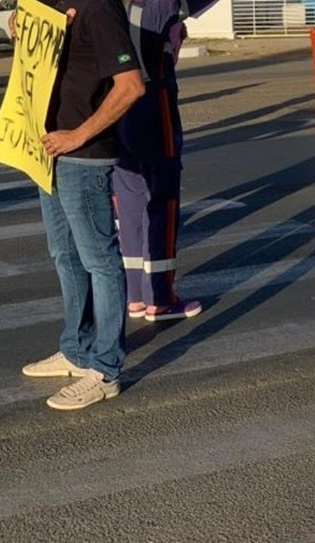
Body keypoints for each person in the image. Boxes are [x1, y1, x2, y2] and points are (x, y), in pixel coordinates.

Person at [20, 0, 145, 410]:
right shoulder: (53, 7)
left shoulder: (98, 8)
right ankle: (76, 349)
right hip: (51, 153)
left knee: (99, 261)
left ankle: (105, 369)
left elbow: (131, 86)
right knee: (64, 255)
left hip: (84, 157)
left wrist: (77, 135)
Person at [112, 0, 215, 323]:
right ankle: (159, 297)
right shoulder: (160, 4)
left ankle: (135, 295)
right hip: (154, 104)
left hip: (116, 108)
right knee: (162, 201)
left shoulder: (113, 7)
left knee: (127, 202)